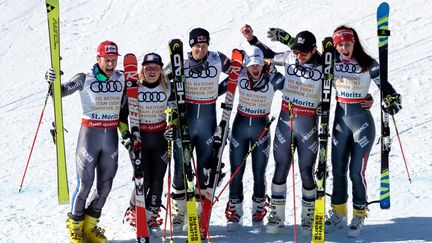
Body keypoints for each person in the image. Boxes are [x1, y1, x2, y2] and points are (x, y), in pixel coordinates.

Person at [241, 25, 323, 234]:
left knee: (306, 171)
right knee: (280, 167)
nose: (298, 56)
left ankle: (308, 218)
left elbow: (334, 67)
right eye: (296, 51)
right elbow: (268, 55)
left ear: (313, 50)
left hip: (308, 124)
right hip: (286, 121)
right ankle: (276, 218)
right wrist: (252, 40)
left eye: (303, 53)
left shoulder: (323, 66)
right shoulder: (289, 58)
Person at [325, 26, 402, 238]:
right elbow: (306, 61)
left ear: (354, 43)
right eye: (340, 44)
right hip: (340, 121)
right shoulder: (332, 63)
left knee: (355, 171)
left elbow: (384, 85)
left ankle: (359, 213)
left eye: (347, 44)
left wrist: (391, 97)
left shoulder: (368, 64)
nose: (344, 48)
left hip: (362, 124)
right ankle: (339, 213)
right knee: (338, 169)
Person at [46, 40, 125, 243]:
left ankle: (90, 226)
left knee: (105, 185)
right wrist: (51, 80)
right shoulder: (84, 78)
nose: (110, 64)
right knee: (84, 184)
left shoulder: (123, 78)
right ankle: (75, 227)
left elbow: (147, 84)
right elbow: (59, 91)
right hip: (90, 136)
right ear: (98, 59)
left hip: (111, 138)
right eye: (106, 60)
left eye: (114, 60)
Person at [169, 27, 231, 232]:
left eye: (204, 46)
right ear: (191, 46)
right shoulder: (181, 63)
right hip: (185, 124)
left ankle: (197, 212)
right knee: (180, 169)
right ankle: (179, 213)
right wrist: (170, 114)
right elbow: (163, 86)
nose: (201, 50)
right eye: (197, 46)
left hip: (207, 124)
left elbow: (238, 73)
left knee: (205, 170)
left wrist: (219, 90)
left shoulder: (217, 58)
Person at [224, 45, 285, 231]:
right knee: (237, 170)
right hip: (240, 127)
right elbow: (218, 89)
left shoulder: (273, 78)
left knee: (259, 171)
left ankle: (258, 209)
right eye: (251, 64)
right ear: (245, 64)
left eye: (258, 64)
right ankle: (235, 211)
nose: (255, 68)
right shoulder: (240, 75)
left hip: (261, 128)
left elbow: (295, 88)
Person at [121, 53, 171, 236]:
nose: (152, 71)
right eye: (148, 68)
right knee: (144, 177)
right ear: (142, 69)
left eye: (156, 68)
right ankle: (134, 211)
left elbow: (174, 111)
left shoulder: (167, 88)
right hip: (139, 139)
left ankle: (151, 214)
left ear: (161, 70)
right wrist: (126, 134)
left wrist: (172, 125)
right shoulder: (134, 88)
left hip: (160, 138)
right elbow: (122, 115)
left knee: (158, 178)